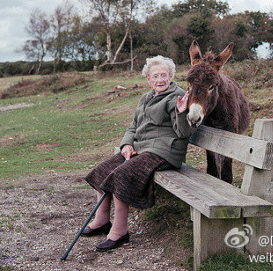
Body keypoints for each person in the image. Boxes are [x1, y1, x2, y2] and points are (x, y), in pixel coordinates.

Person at [83, 55, 193, 252]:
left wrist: (182, 112)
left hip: (164, 151)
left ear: (171, 76)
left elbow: (184, 133)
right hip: (142, 149)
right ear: (148, 79)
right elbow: (133, 126)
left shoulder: (177, 96)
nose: (160, 80)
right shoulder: (146, 97)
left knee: (123, 174)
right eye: (155, 76)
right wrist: (126, 144)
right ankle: (101, 221)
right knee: (103, 169)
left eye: (164, 75)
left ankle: (120, 231)